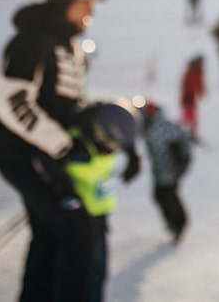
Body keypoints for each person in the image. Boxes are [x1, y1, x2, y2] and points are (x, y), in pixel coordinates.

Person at [0, 0, 107, 302]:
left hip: (47, 157)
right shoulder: (32, 40)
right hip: (25, 157)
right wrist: (62, 146)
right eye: (86, 0)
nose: (92, 9)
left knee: (49, 236)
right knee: (75, 233)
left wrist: (93, 128)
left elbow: (66, 104)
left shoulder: (69, 45)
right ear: (63, 0)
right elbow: (12, 101)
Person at [63, 101, 140, 302]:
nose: (112, 149)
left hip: (100, 214)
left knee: (98, 273)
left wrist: (132, 152)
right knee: (86, 275)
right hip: (80, 218)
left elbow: (123, 126)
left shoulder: (106, 134)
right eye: (110, 143)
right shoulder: (78, 145)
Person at [140, 99, 196, 243]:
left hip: (170, 170)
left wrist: (182, 161)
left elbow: (180, 140)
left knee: (167, 196)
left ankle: (179, 223)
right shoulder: (153, 125)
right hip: (161, 170)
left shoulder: (158, 127)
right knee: (160, 196)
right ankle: (174, 224)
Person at [178, 55, 206, 138]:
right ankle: (184, 131)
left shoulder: (196, 73)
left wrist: (200, 92)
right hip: (188, 97)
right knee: (187, 116)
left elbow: (199, 84)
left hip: (191, 97)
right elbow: (185, 85)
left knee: (190, 115)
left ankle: (190, 132)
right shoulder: (191, 73)